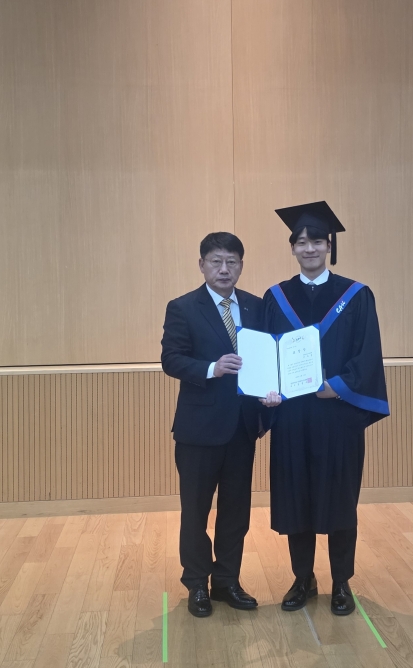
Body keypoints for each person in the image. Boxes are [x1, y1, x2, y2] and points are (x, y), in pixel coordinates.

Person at [262, 202, 390, 616]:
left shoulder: (356, 296)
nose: (309, 248)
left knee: (339, 499)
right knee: (295, 497)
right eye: (301, 242)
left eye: (317, 241)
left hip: (337, 416)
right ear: (293, 248)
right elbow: (265, 355)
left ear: (329, 246)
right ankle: (303, 578)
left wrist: (338, 386)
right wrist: (267, 390)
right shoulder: (276, 297)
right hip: (292, 417)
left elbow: (367, 354)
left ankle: (341, 581)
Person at [160, 232, 267, 617]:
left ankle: (226, 581)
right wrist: (212, 368)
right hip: (199, 430)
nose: (224, 269)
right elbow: (171, 359)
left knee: (236, 511)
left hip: (242, 428)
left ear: (241, 265)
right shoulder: (183, 307)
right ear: (202, 264)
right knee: (195, 512)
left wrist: (271, 392)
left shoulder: (256, 306)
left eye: (232, 262)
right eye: (216, 261)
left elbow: (267, 357)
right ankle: (197, 584)